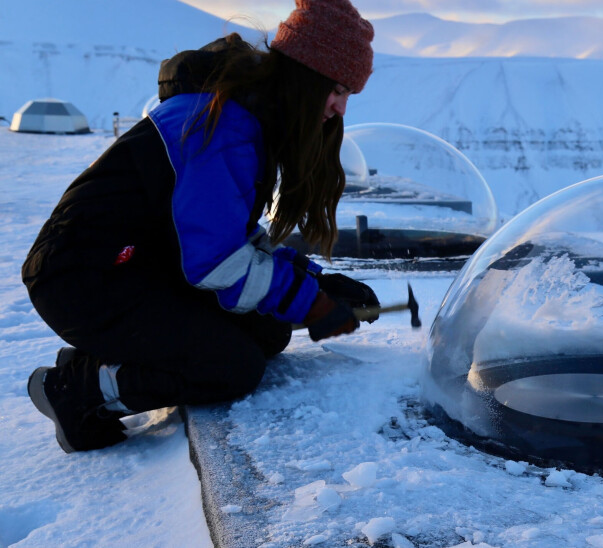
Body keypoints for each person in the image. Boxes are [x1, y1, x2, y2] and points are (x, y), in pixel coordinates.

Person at [22, 0, 380, 453]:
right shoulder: (223, 124)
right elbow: (218, 262)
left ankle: (121, 358)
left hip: (137, 264)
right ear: (306, 76)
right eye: (337, 89)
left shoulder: (248, 116)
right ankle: (77, 388)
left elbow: (228, 233)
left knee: (268, 330)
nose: (340, 109)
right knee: (230, 367)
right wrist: (312, 304)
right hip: (82, 277)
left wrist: (315, 284)